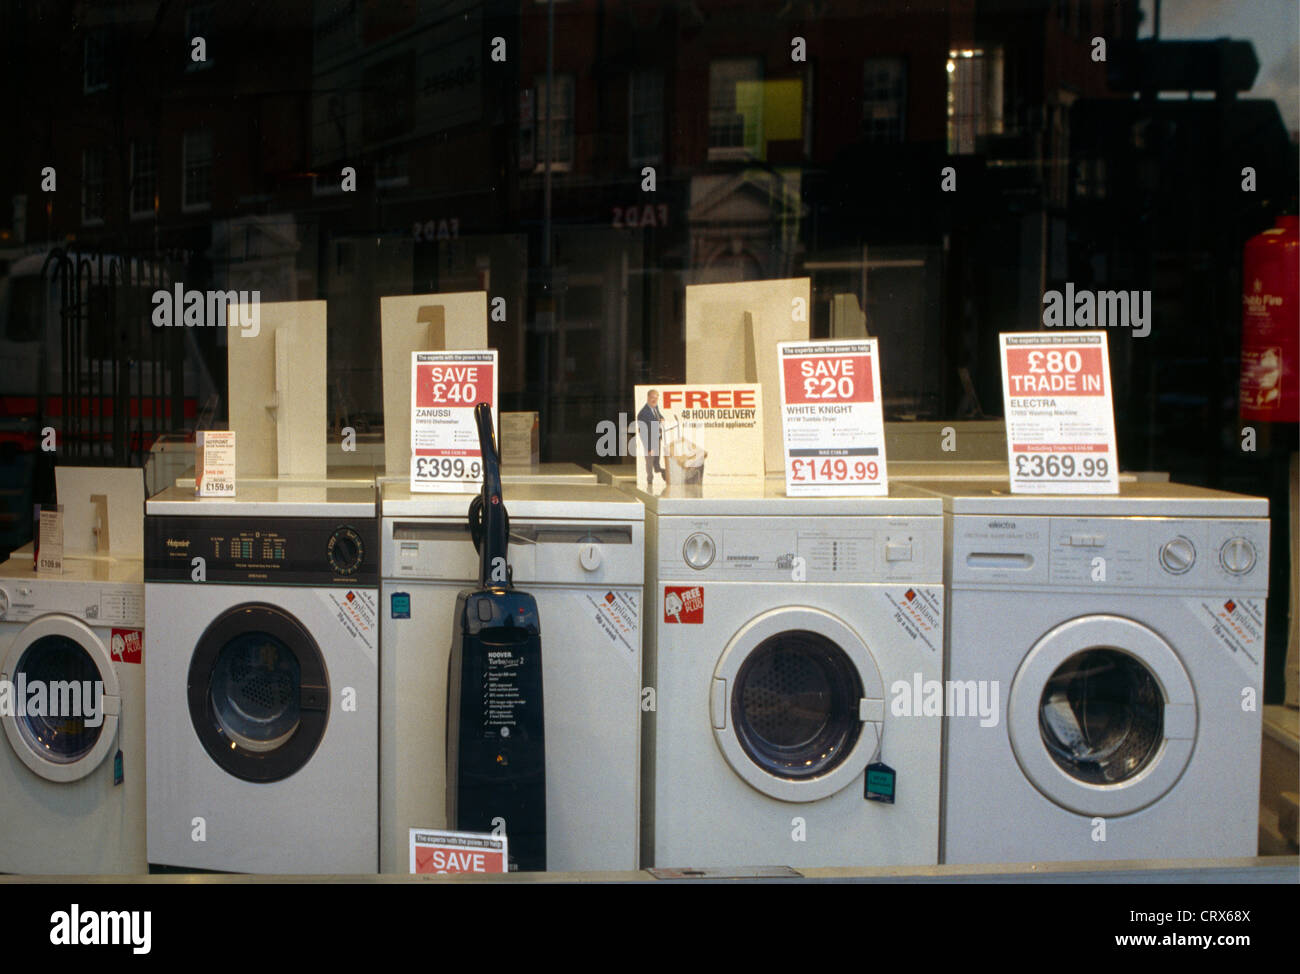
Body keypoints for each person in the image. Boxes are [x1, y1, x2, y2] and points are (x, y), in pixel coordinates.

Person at [637, 389, 664, 487]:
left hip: (657, 437)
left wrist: (662, 418)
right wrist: (649, 448)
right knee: (649, 460)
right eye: (653, 398)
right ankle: (650, 480)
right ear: (648, 397)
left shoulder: (655, 407)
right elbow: (643, 433)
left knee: (657, 458)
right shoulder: (642, 413)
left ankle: (657, 469)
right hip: (649, 440)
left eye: (656, 398)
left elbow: (658, 415)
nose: (655, 400)